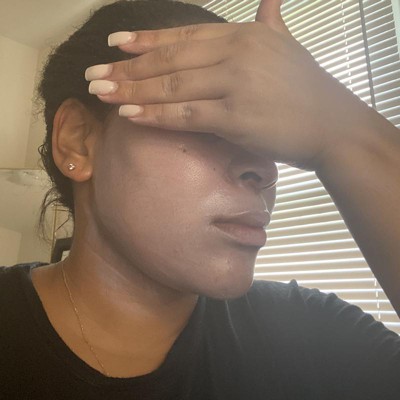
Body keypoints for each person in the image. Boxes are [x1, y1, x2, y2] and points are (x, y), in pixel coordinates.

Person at [1, 0, 399, 398]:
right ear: (79, 141)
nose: (266, 171)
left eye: (265, 139)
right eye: (202, 118)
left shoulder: (311, 334)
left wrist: (345, 133)